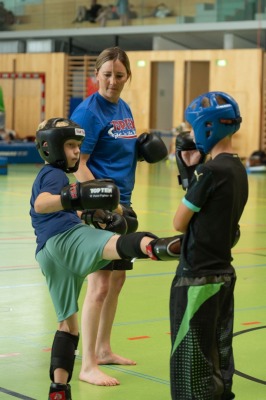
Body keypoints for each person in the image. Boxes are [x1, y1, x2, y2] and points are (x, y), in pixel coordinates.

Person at [30, 117, 181, 400]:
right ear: (52, 148)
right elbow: (42, 204)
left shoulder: (52, 175)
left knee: (67, 326)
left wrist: (88, 213)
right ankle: (164, 246)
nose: (76, 152)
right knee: (118, 244)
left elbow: (57, 209)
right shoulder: (55, 175)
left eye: (78, 146)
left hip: (49, 255)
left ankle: (59, 389)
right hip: (66, 240)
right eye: (71, 145)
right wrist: (75, 193)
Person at [70, 46, 168, 386]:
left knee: (117, 280)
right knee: (99, 285)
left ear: (127, 77)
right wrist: (104, 203)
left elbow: (117, 151)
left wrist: (139, 152)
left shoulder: (122, 107)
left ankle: (105, 348)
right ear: (96, 75)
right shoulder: (88, 112)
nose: (113, 81)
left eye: (120, 75)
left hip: (123, 204)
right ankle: (88, 365)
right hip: (102, 209)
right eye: (107, 74)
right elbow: (79, 165)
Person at [170, 91, 249, 400]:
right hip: (223, 274)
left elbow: (179, 221)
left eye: (192, 128)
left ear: (207, 128)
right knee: (218, 354)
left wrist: (190, 173)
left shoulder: (210, 171)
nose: (189, 135)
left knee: (192, 364)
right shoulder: (237, 168)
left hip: (196, 276)